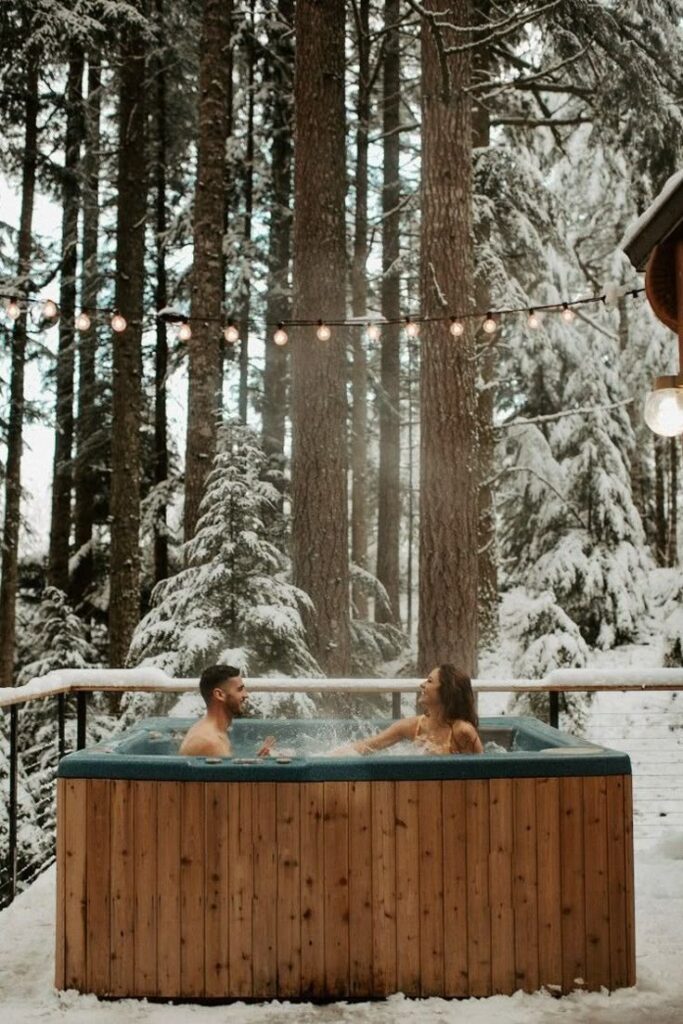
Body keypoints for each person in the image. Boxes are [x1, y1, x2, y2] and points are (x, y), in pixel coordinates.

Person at [342, 664, 483, 755]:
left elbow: (483, 770)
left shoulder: (462, 731)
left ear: (446, 691)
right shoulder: (412, 726)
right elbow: (369, 745)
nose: (422, 685)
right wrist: (328, 757)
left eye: (429, 681)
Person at [179, 664, 274, 757]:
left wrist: (259, 760)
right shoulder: (210, 742)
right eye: (239, 690)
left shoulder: (216, 731)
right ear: (219, 695)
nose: (246, 695)